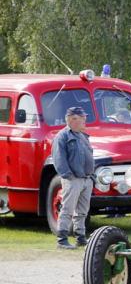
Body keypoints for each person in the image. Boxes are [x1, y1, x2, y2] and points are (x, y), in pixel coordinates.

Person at [52, 106, 94, 249]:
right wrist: (68, 176)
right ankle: (62, 240)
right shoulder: (62, 136)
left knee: (82, 211)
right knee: (67, 209)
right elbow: (59, 159)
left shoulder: (83, 135)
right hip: (73, 179)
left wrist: (91, 177)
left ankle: (80, 238)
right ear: (72, 119)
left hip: (86, 179)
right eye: (82, 118)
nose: (85, 120)